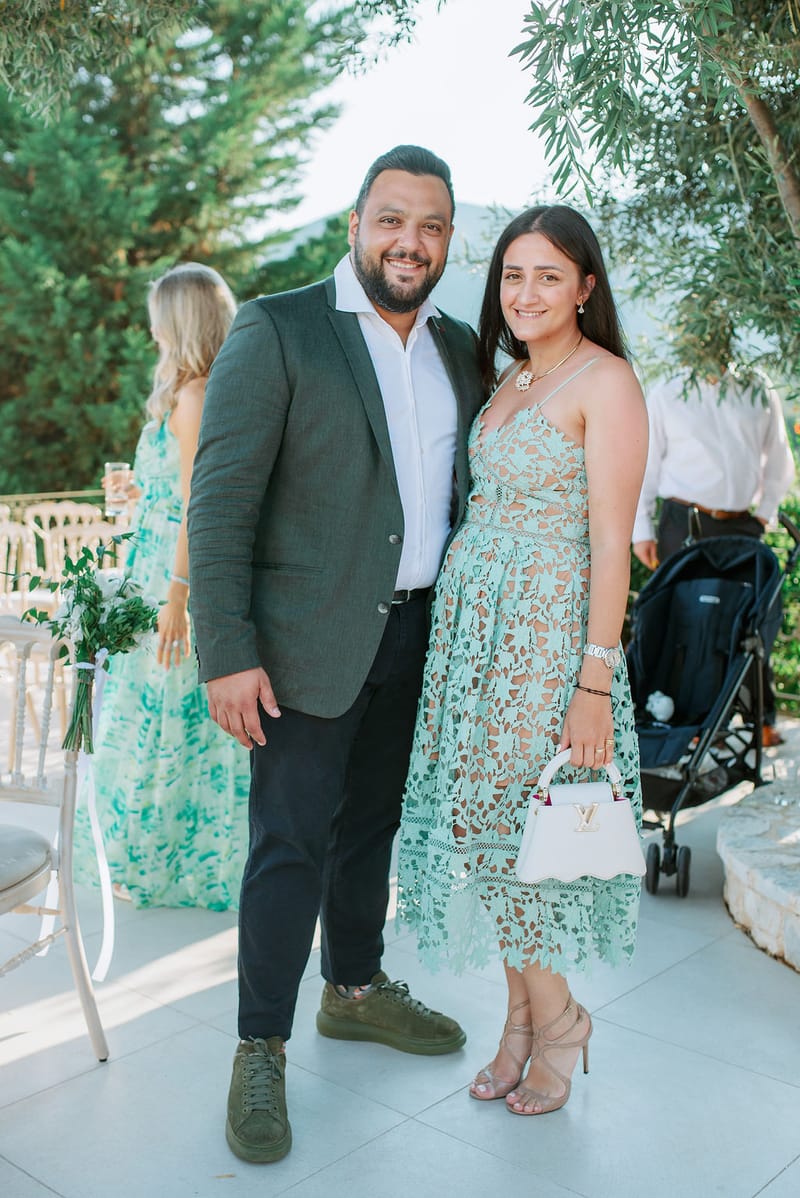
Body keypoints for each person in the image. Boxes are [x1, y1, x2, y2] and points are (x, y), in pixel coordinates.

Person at [187, 146, 486, 1163]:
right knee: (288, 845)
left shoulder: (455, 349)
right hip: (304, 645)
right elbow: (219, 498)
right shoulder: (279, 328)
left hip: (416, 633)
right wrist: (225, 651)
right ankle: (259, 1044)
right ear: (355, 222)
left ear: (449, 239)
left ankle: (353, 989)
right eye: (393, 219)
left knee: (372, 830)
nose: (411, 241)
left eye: (432, 225)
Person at [397, 205, 648, 1116]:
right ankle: (523, 1024)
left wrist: (592, 681)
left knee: (517, 835)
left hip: (547, 645)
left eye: (549, 275)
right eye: (513, 275)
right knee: (481, 827)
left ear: (586, 285)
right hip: (475, 639)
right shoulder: (505, 380)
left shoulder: (606, 383)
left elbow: (612, 549)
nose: (528, 292)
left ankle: (562, 1022)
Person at [74, 263, 251, 909]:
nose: (151, 327)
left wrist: (177, 598)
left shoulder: (199, 395)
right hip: (152, 571)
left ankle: (166, 864)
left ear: (180, 321)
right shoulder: (183, 392)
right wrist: (133, 494)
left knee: (169, 720)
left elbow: (201, 506)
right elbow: (168, 497)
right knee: (144, 713)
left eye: (159, 314)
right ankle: (141, 854)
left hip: (176, 583)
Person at [632, 322, 795, 746]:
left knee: (750, 623)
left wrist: (763, 516)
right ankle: (686, 721)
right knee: (684, 623)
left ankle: (760, 718)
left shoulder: (757, 387)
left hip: (743, 525)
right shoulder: (668, 390)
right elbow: (645, 466)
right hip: (683, 525)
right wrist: (642, 531)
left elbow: (779, 459)